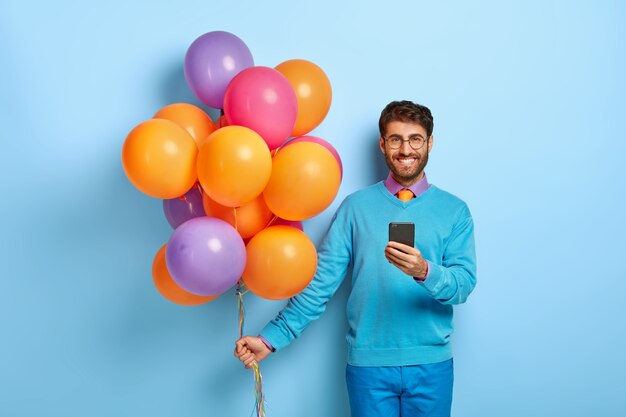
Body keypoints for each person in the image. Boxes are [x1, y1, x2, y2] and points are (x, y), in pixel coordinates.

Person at [234, 100, 477, 417]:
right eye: (396, 139)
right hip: (369, 368)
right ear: (382, 143)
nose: (406, 149)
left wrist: (424, 271)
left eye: (415, 138)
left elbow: (463, 286)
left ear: (430, 142)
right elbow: (319, 285)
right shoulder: (354, 208)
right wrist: (270, 339)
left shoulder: (454, 211)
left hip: (431, 365)